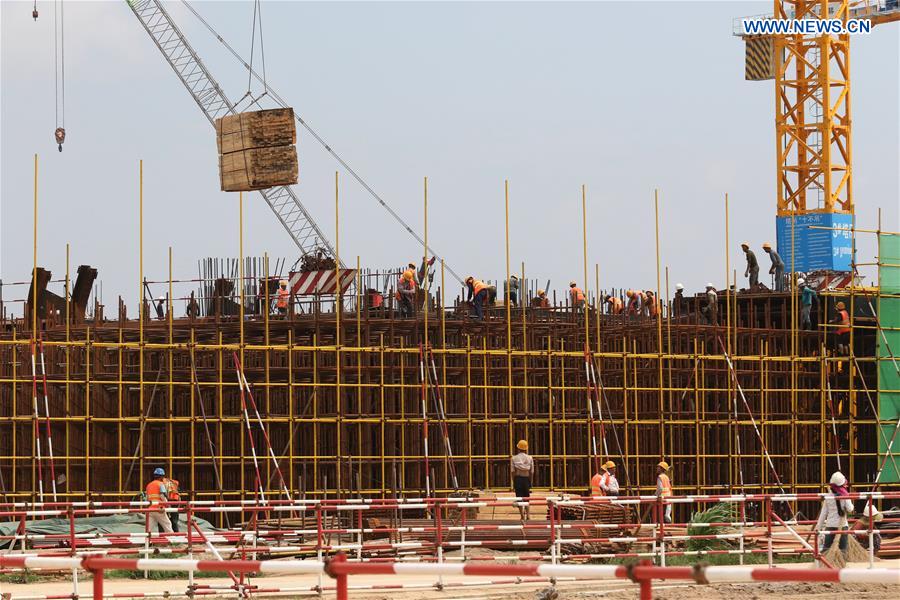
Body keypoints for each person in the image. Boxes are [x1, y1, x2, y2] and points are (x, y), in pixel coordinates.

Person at [815, 471, 854, 555]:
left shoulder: (828, 496)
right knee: (843, 551)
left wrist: (818, 527)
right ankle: (841, 566)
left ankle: (825, 567)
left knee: (826, 550)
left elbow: (823, 513)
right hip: (842, 526)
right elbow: (850, 509)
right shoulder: (845, 495)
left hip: (830, 525)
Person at [510, 440, 534, 520]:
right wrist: (530, 481)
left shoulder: (514, 458)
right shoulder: (530, 458)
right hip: (526, 478)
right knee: (527, 497)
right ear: (526, 449)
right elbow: (531, 471)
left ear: (518, 448)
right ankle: (528, 515)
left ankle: (522, 516)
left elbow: (513, 471)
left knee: (519, 498)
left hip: (518, 479)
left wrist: (514, 481)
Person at [146, 467, 174, 534]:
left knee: (149, 527)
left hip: (150, 509)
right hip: (159, 508)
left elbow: (147, 498)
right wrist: (167, 505)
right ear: (161, 476)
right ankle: (173, 540)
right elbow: (162, 496)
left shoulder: (149, 485)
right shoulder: (160, 484)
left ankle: (148, 541)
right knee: (167, 524)